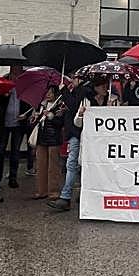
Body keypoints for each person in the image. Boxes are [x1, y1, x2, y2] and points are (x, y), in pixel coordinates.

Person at [49, 76, 107, 212]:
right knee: (74, 163)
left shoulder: (83, 91)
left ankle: (72, 196)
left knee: (78, 164)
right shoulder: (85, 94)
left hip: (86, 135)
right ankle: (67, 196)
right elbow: (76, 110)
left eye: (74, 78)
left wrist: (64, 91)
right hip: (78, 133)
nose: (72, 81)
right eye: (102, 86)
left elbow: (73, 105)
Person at [30, 86, 66, 199]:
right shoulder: (42, 105)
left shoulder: (60, 106)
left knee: (53, 167)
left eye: (51, 93)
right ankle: (41, 191)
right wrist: (35, 117)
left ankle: (53, 192)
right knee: (40, 166)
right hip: (41, 138)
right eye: (47, 92)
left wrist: (51, 116)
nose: (48, 95)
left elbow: (60, 123)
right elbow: (37, 122)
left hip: (54, 139)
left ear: (56, 94)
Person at [0, 68, 31, 187]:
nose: (16, 76)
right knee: (0, 151)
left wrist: (26, 115)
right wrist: (4, 96)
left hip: (18, 124)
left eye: (18, 73)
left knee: (15, 152)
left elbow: (29, 103)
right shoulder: (4, 83)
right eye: (14, 73)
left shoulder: (24, 86)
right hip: (4, 123)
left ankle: (13, 178)